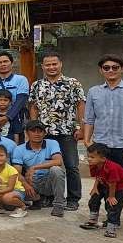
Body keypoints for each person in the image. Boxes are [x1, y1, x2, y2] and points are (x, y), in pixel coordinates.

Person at [28, 51, 86, 211]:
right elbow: (33, 106)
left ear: (61, 64)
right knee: (46, 166)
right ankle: (49, 196)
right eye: (48, 64)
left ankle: (73, 198)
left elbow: (80, 104)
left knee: (71, 165)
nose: (51, 67)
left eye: (54, 64)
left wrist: (80, 127)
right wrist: (34, 127)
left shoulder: (73, 83)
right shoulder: (36, 85)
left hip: (67, 132)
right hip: (44, 134)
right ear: (43, 66)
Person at [82, 55, 123, 176]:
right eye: (106, 68)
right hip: (100, 147)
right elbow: (89, 119)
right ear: (101, 70)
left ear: (122, 69)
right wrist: (87, 142)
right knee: (102, 184)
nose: (111, 70)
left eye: (115, 67)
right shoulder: (93, 91)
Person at [13, 120, 67, 217]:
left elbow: (58, 161)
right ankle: (37, 199)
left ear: (44, 133)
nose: (37, 134)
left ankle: (59, 205)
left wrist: (34, 167)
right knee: (10, 199)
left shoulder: (52, 143)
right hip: (31, 182)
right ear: (27, 133)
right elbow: (16, 172)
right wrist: (25, 184)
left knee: (56, 170)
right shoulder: (19, 149)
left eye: (40, 131)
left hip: (48, 181)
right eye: (33, 131)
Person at [80, 143, 123, 238]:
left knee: (112, 205)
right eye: (88, 156)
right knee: (94, 198)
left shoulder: (111, 168)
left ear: (103, 159)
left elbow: (113, 183)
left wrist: (111, 196)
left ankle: (112, 227)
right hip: (105, 183)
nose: (89, 159)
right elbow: (99, 176)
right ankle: (93, 220)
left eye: (92, 157)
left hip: (121, 186)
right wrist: (95, 188)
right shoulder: (93, 164)